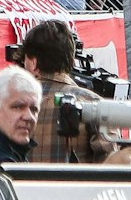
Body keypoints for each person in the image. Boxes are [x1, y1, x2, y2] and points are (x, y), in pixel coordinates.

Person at [13, 19, 115, 164]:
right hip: (77, 186)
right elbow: (113, 164)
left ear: (34, 63)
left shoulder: (8, 105)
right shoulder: (94, 104)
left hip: (20, 186)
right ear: (71, 59)